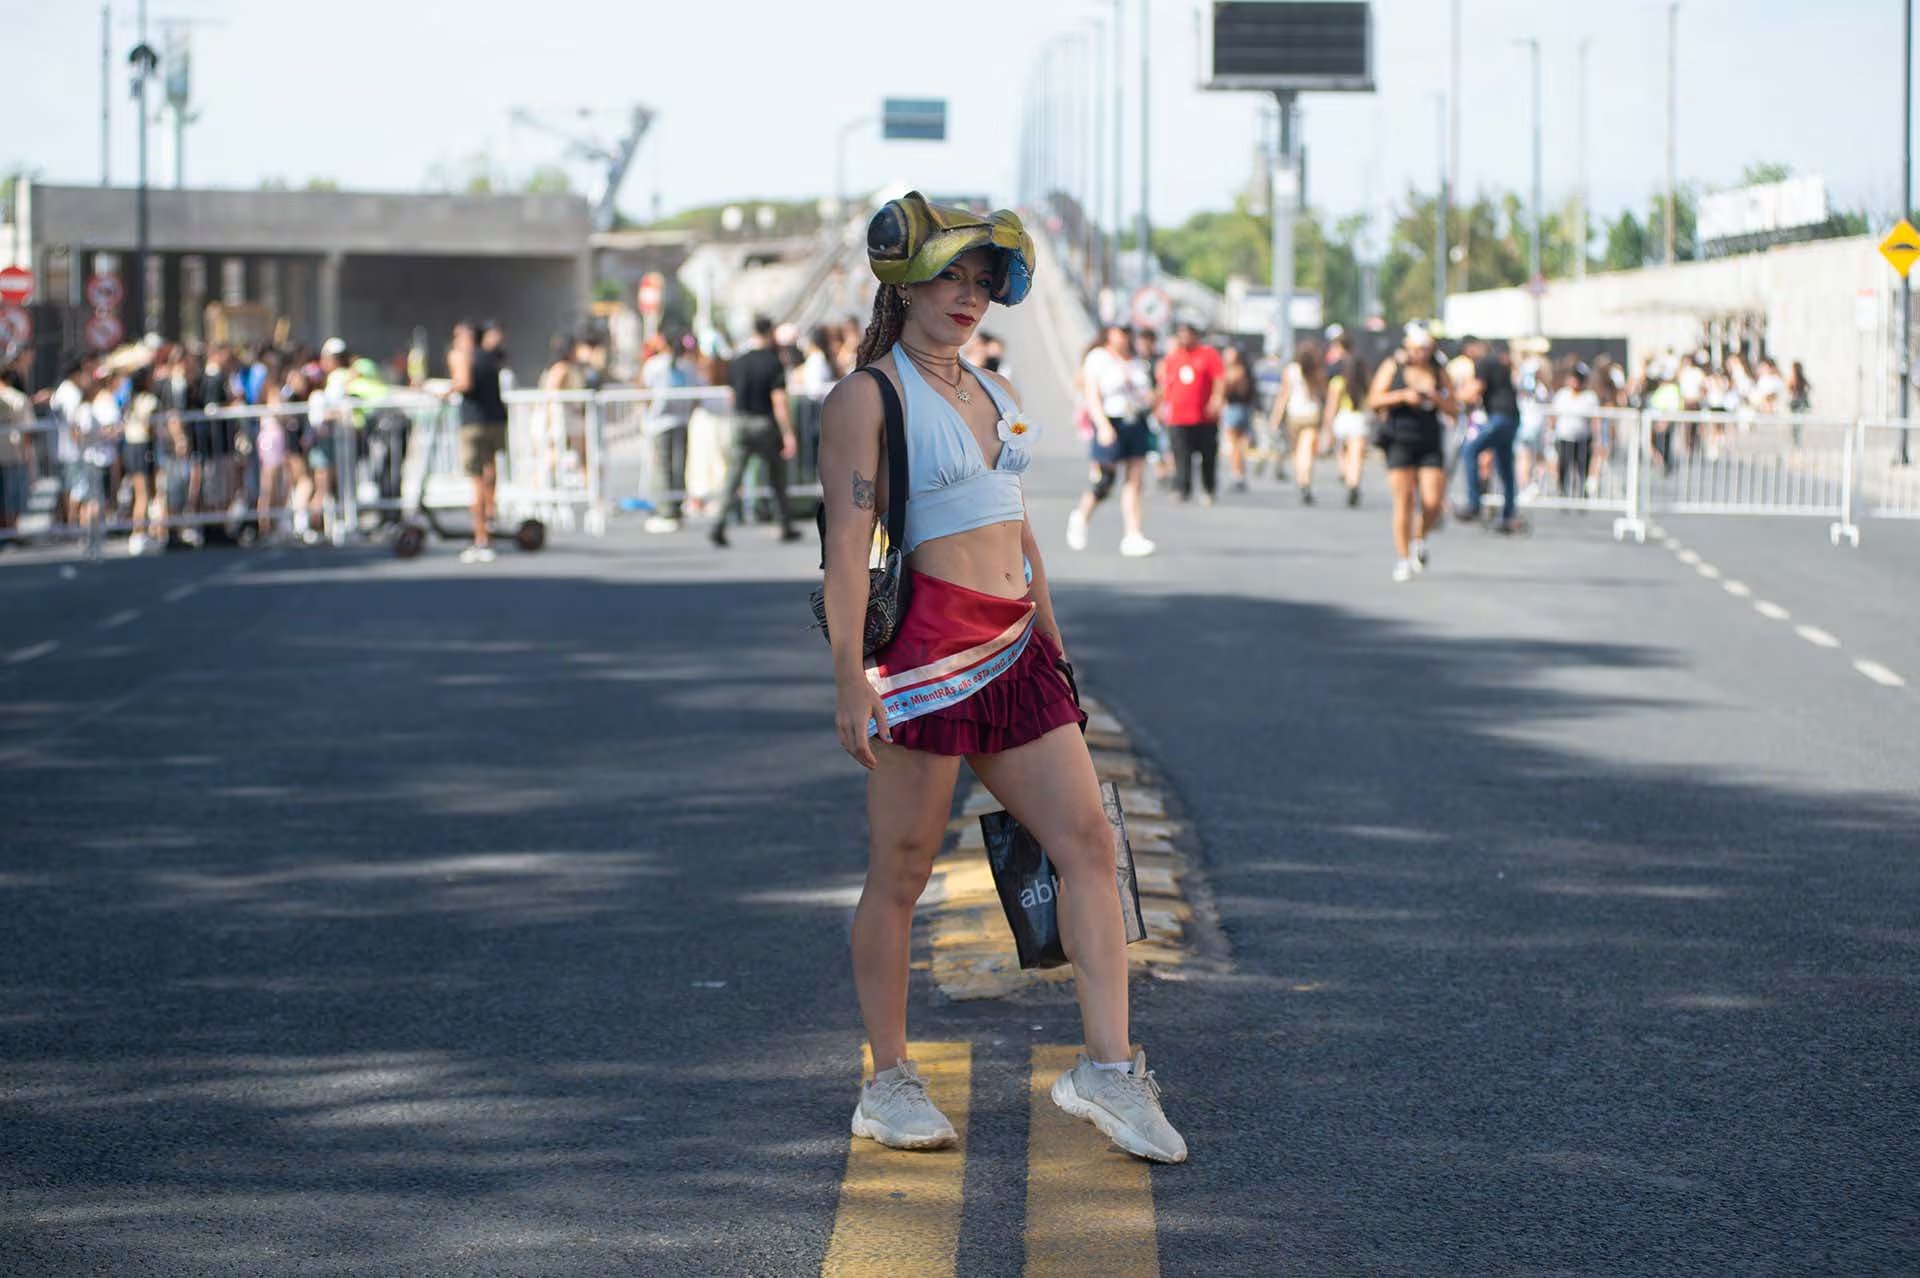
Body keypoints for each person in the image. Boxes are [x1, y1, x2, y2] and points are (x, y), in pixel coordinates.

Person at [816, 191, 1186, 1164]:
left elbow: (1017, 531)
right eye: (952, 277)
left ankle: (1108, 1070)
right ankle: (887, 1080)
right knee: (900, 873)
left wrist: (1054, 643)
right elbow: (848, 549)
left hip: (1016, 654)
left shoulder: (995, 393)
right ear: (903, 281)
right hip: (924, 667)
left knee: (1090, 845)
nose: (969, 297)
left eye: (982, 282)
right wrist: (852, 679)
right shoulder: (870, 398)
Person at [1368, 324, 1456, 583]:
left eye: (1426, 349)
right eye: (1417, 349)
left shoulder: (1439, 372)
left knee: (1432, 501)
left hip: (1429, 440)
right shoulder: (1393, 367)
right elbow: (1374, 399)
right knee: (1403, 500)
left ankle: (1420, 536)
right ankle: (1403, 557)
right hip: (1399, 439)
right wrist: (1403, 396)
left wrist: (1436, 399)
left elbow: (1454, 408)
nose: (1421, 354)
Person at [709, 315, 800, 548]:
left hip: (740, 421)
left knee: (734, 476)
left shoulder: (738, 361)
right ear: (769, 333)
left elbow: (731, 396)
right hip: (764, 423)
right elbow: (779, 401)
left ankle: (720, 522)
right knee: (776, 476)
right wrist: (788, 432)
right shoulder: (772, 362)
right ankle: (785, 524)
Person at [1066, 325, 1156, 557]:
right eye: (1120, 332)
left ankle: (1133, 534)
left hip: (1135, 420)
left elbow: (1147, 390)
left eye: (1127, 332)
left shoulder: (1137, 360)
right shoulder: (1098, 358)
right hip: (1110, 420)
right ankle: (1081, 516)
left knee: (1135, 480)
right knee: (1105, 481)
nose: (1124, 337)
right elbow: (1092, 395)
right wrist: (1103, 425)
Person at [449, 319, 508, 563]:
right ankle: (490, 519)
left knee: (477, 481)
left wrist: (443, 390)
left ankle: (481, 536)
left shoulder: (462, 356)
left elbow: (464, 383)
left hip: (474, 423)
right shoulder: (489, 357)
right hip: (496, 420)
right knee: (489, 473)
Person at [1159, 320, 1225, 504]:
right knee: (1181, 454)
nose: (1185, 338)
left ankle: (1208, 488)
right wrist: (1161, 406)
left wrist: (1217, 398)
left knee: (1208, 456)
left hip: (1205, 417)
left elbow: (1219, 379)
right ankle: (1182, 488)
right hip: (1179, 417)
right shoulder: (1173, 357)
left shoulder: (1208, 355)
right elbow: (1166, 384)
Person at [1458, 339, 1521, 531]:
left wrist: (1452, 397)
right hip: (1511, 417)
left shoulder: (1483, 363)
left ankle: (1474, 502)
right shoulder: (1497, 364)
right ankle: (1509, 513)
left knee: (1469, 450)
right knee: (1505, 466)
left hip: (1499, 417)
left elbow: (1475, 390)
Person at [642, 334, 701, 533]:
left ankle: (665, 509)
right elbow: (696, 394)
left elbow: (644, 390)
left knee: (663, 466)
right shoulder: (688, 367)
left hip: (660, 422)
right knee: (678, 465)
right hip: (680, 420)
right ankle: (674, 507)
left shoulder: (655, 365)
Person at [1269, 338, 1327, 504]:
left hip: (1294, 415)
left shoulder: (1290, 371)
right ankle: (1306, 481)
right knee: (1307, 451)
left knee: (1297, 451)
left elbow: (1283, 396)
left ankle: (1301, 480)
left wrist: (1275, 418)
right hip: (1312, 414)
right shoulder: (1318, 372)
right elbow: (1324, 395)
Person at [1324, 347, 1373, 507]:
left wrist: (1327, 427)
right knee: (1356, 455)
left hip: (1343, 419)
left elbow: (1331, 406)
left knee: (1343, 452)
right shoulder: (1366, 383)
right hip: (1359, 419)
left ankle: (1346, 474)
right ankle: (1354, 483)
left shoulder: (1338, 382)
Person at [1549, 364, 1599, 499]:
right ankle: (1562, 491)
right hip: (1564, 437)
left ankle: (1582, 490)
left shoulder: (1589, 396)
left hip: (1582, 438)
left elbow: (1595, 419)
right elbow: (1553, 416)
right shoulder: (1562, 395)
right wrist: (1550, 434)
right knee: (1563, 465)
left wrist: (1596, 438)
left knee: (1582, 465)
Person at [1218, 345, 1257, 492]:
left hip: (1234, 409)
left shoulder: (1235, 372)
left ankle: (1237, 473)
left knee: (1235, 445)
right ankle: (1239, 472)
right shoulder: (1245, 371)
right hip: (1244, 409)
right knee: (1239, 444)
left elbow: (1224, 391)